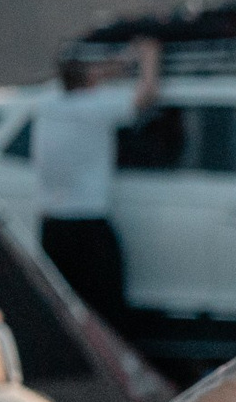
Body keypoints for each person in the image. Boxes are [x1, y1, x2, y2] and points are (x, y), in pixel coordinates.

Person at [32, 37, 162, 331]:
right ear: (90, 76)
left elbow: (78, 78)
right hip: (86, 226)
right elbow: (147, 93)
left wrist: (116, 63)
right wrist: (149, 57)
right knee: (106, 309)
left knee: (61, 310)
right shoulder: (96, 106)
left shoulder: (47, 104)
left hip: (52, 227)